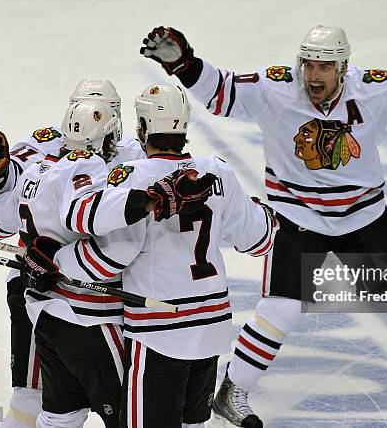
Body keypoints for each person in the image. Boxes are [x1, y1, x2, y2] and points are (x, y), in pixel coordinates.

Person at [139, 24, 387, 426]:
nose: (313, 76)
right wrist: (183, 64)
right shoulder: (275, 88)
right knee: (282, 310)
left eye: (324, 67)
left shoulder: (376, 89)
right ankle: (233, 390)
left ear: (343, 68)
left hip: (364, 219)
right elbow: (223, 92)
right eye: (308, 65)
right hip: (297, 220)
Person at [22, 84, 277, 428]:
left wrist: (56, 261)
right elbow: (259, 240)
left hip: (160, 334)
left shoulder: (132, 177)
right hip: (212, 327)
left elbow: (109, 256)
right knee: (192, 425)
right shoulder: (217, 171)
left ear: (141, 127)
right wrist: (263, 213)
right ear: (185, 125)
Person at [0, 100, 216, 428]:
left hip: (46, 317)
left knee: (57, 415)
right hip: (90, 320)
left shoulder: (38, 172)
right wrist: (151, 201)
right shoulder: (91, 172)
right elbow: (106, 234)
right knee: (132, 417)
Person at [0, 79, 145, 428]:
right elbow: (6, 183)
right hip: (78, 303)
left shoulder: (69, 161)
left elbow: (8, 204)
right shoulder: (52, 147)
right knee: (115, 411)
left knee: (53, 411)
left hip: (49, 294)